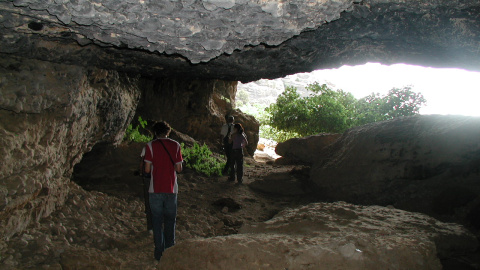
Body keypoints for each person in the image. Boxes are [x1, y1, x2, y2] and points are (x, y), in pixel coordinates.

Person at [143, 121, 183, 261]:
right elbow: (179, 169)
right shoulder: (176, 145)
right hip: (171, 189)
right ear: (168, 131)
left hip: (155, 189)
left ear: (155, 132)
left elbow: (147, 169)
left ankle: (158, 252)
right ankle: (170, 251)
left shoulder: (150, 146)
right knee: (170, 221)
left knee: (157, 221)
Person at [139, 146, 153, 233]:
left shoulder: (148, 146)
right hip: (163, 178)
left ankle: (151, 226)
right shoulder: (173, 145)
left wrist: (141, 172)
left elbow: (143, 164)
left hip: (149, 177)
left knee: (149, 201)